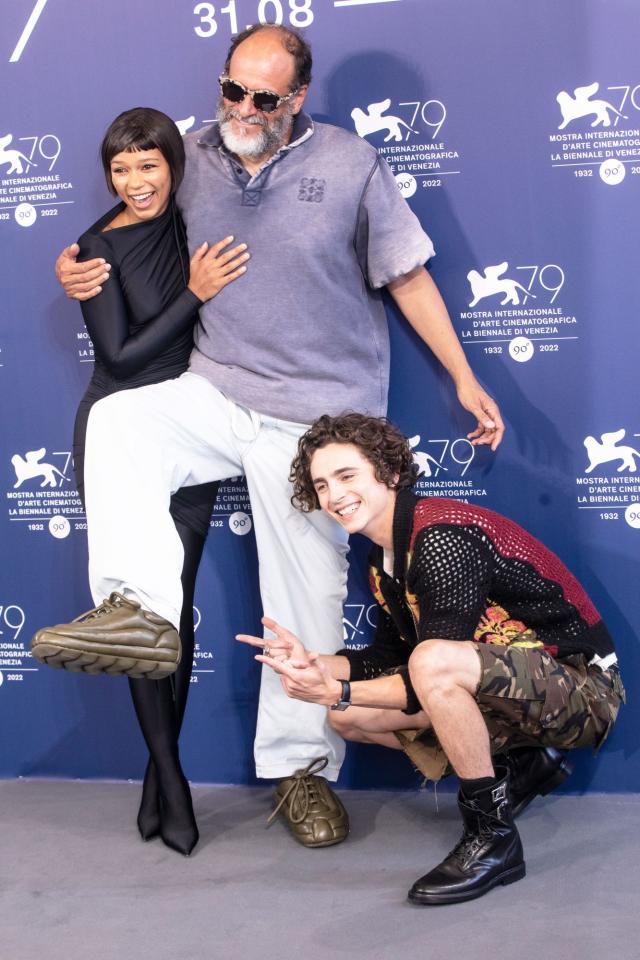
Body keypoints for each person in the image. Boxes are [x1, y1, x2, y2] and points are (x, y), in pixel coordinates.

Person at [46, 24, 504, 847]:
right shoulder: (191, 153)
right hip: (217, 391)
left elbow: (406, 274)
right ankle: (140, 612)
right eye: (232, 90)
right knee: (119, 419)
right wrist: (74, 263)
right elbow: (132, 205)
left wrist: (465, 377)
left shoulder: (349, 162)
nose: (243, 109)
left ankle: (302, 774)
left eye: (264, 97)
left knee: (305, 588)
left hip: (317, 416)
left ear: (296, 97)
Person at [237, 412, 624, 902]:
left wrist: (336, 690)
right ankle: (523, 765)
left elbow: (431, 670)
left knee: (424, 666)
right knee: (349, 719)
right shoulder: (384, 558)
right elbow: (385, 657)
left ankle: (493, 837)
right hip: (518, 690)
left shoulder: (440, 536)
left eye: (347, 476)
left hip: (584, 690)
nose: (333, 496)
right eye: (321, 484)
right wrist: (316, 663)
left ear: (390, 473)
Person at [70, 107, 249, 856]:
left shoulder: (194, 219)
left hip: (190, 433)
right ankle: (171, 780)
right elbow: (120, 355)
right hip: (121, 435)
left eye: (149, 165)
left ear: (174, 165)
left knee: (173, 613)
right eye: (121, 168)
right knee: (144, 612)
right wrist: (195, 293)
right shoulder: (94, 249)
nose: (136, 182)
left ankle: (157, 777)